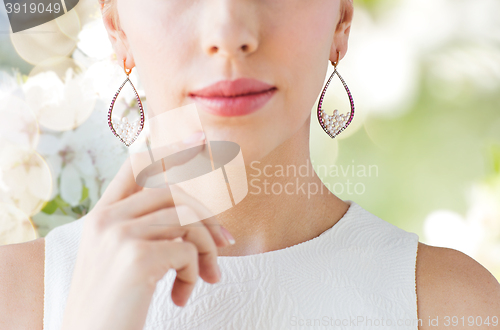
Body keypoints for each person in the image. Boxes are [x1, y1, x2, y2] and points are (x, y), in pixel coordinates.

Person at [1, 0, 499, 329]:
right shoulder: (15, 299)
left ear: (341, 20)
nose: (229, 33)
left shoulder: (452, 306)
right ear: (117, 28)